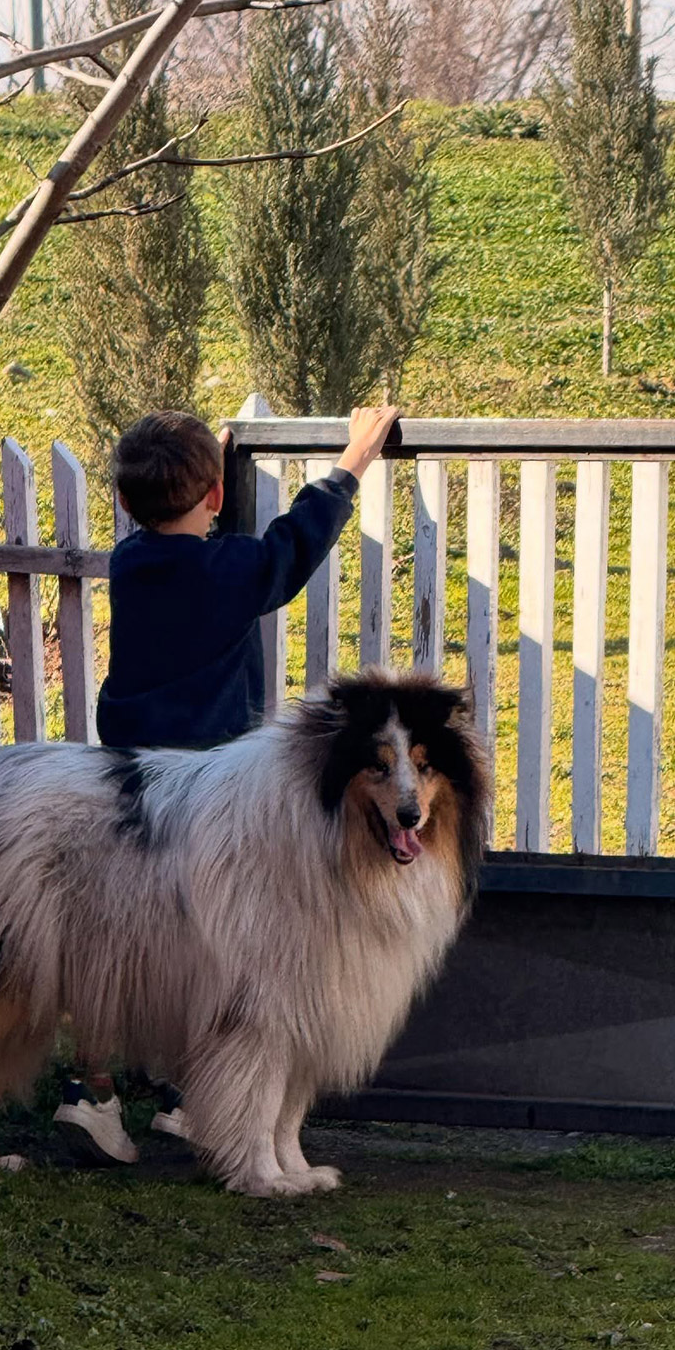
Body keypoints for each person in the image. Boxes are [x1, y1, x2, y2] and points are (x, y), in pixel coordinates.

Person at [55, 403, 401, 1162]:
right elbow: (293, 545)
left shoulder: (131, 564)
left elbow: (202, 544)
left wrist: (205, 464)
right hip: (209, 792)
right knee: (211, 941)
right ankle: (190, 1099)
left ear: (123, 503)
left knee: (118, 935)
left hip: (131, 783)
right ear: (214, 498)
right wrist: (354, 457)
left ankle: (93, 1093)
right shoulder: (229, 572)